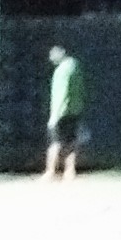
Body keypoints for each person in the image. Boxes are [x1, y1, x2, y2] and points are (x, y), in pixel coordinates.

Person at [45, 46, 85, 181]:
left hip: (61, 113)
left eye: (53, 54)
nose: (51, 58)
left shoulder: (61, 71)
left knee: (54, 142)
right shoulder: (76, 66)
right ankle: (70, 172)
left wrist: (54, 115)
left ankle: (50, 172)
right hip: (75, 111)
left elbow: (61, 93)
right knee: (71, 142)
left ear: (62, 53)